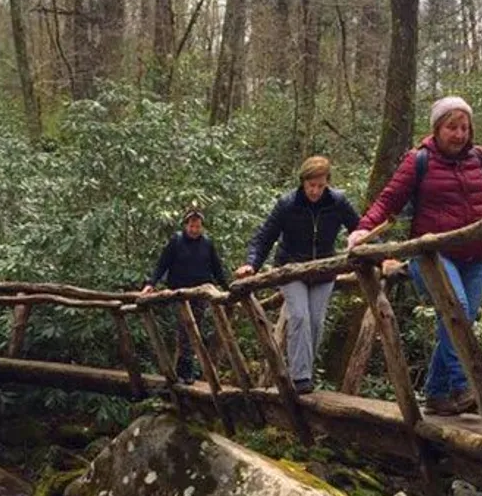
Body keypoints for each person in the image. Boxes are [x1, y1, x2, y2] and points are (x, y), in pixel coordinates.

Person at [347, 96, 482, 415]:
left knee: (459, 321)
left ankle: (436, 394)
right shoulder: (418, 160)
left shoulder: (480, 158)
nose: (459, 134)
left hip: (475, 257)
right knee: (458, 310)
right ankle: (466, 386)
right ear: (436, 129)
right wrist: (363, 229)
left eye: (465, 127)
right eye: (452, 127)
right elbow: (389, 200)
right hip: (432, 259)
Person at [235, 156, 360, 394]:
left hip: (324, 271)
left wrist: (376, 253)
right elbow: (264, 237)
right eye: (311, 185)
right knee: (300, 316)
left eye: (320, 186)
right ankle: (300, 377)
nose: (315, 191)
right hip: (291, 268)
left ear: (327, 183)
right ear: (302, 182)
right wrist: (251, 264)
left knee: (315, 322)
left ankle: (306, 373)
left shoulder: (337, 202)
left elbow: (360, 228)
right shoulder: (288, 204)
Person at [143, 208, 228, 384]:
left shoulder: (207, 244)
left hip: (200, 291)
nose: (194, 229)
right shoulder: (176, 241)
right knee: (186, 328)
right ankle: (184, 372)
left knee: (193, 328)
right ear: (186, 225)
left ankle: (185, 371)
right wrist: (151, 283)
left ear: (202, 227)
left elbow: (216, 267)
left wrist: (227, 289)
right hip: (179, 293)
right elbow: (162, 263)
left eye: (197, 226)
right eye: (191, 226)